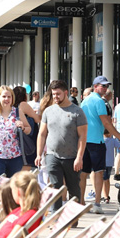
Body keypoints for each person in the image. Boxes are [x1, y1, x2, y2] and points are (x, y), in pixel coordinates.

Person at [36, 80, 88, 210]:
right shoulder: (48, 111)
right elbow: (42, 134)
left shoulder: (77, 112)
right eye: (53, 94)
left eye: (58, 94)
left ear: (65, 93)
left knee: (74, 189)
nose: (55, 97)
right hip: (52, 155)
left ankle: (73, 218)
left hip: (72, 157)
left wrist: (79, 157)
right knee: (55, 187)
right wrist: (39, 154)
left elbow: (82, 136)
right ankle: (55, 218)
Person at [80, 76, 120, 213]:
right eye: (103, 86)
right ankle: (96, 204)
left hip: (85, 140)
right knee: (99, 172)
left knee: (84, 173)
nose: (106, 88)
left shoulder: (85, 101)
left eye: (107, 86)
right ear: (95, 86)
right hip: (96, 141)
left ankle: (82, 202)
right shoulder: (100, 101)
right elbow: (106, 123)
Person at [13, 86, 41, 168]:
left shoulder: (13, 107)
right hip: (28, 137)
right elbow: (37, 119)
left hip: (19, 139)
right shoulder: (23, 104)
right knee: (27, 164)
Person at [102, 129, 120, 204]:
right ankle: (107, 195)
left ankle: (105, 197)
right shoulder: (113, 141)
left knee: (104, 180)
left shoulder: (101, 140)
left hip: (102, 162)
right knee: (107, 179)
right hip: (110, 163)